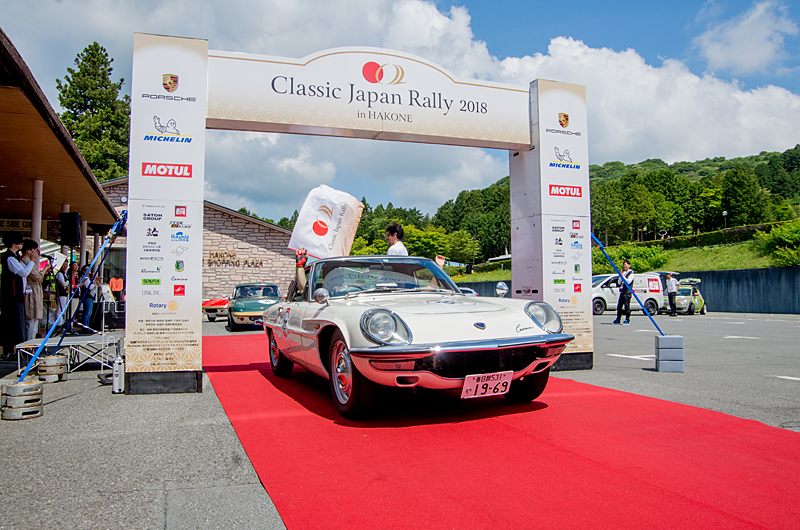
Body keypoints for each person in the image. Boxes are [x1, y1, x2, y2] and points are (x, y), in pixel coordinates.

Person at [1, 233, 34, 357]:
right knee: (13, 323)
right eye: (20, 242)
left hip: (17, 295)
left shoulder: (15, 257)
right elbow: (23, 273)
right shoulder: (10, 258)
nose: (21, 244)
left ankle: (16, 350)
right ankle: (11, 351)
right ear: (14, 243)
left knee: (18, 323)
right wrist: (32, 261)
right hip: (12, 296)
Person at [21, 239, 51, 340]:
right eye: (34, 250)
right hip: (31, 295)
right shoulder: (26, 261)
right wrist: (45, 268)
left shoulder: (30, 262)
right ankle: (28, 345)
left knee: (34, 324)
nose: (37, 252)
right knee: (30, 323)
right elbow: (37, 277)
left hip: (34, 293)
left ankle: (31, 344)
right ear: (28, 251)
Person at [612, 260, 634, 325]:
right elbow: (619, 282)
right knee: (619, 306)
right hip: (622, 292)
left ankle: (627, 319)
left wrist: (622, 276)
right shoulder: (624, 273)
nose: (624, 266)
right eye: (624, 265)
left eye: (626, 265)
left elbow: (628, 282)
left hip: (627, 292)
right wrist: (621, 276)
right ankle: (618, 319)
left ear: (629, 265)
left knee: (627, 306)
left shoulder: (631, 273)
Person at [78, 265, 99, 330]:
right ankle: (85, 326)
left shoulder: (89, 278)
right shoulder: (85, 278)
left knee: (89, 313)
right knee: (87, 312)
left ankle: (87, 325)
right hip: (87, 297)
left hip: (90, 297)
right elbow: (89, 287)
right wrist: (95, 282)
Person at [55, 260, 70, 330]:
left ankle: (62, 323)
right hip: (61, 294)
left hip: (65, 293)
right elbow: (63, 284)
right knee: (60, 310)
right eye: (64, 264)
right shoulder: (59, 274)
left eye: (66, 265)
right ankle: (59, 325)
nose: (65, 266)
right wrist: (69, 280)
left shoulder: (64, 274)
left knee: (63, 310)